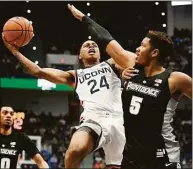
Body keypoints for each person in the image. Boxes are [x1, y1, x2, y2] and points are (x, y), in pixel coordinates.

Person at [67, 4, 192, 169]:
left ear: (154, 53)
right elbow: (106, 39)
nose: (138, 49)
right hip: (131, 156)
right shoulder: (130, 65)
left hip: (162, 156)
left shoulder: (175, 79)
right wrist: (84, 18)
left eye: (143, 46)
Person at [2, 30, 135, 168]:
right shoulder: (74, 75)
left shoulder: (111, 64)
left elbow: (133, 62)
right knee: (73, 152)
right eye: (86, 45)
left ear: (100, 53)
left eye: (94, 45)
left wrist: (127, 71)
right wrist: (15, 51)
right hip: (95, 118)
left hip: (120, 121)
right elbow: (38, 71)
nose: (91, 46)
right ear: (80, 56)